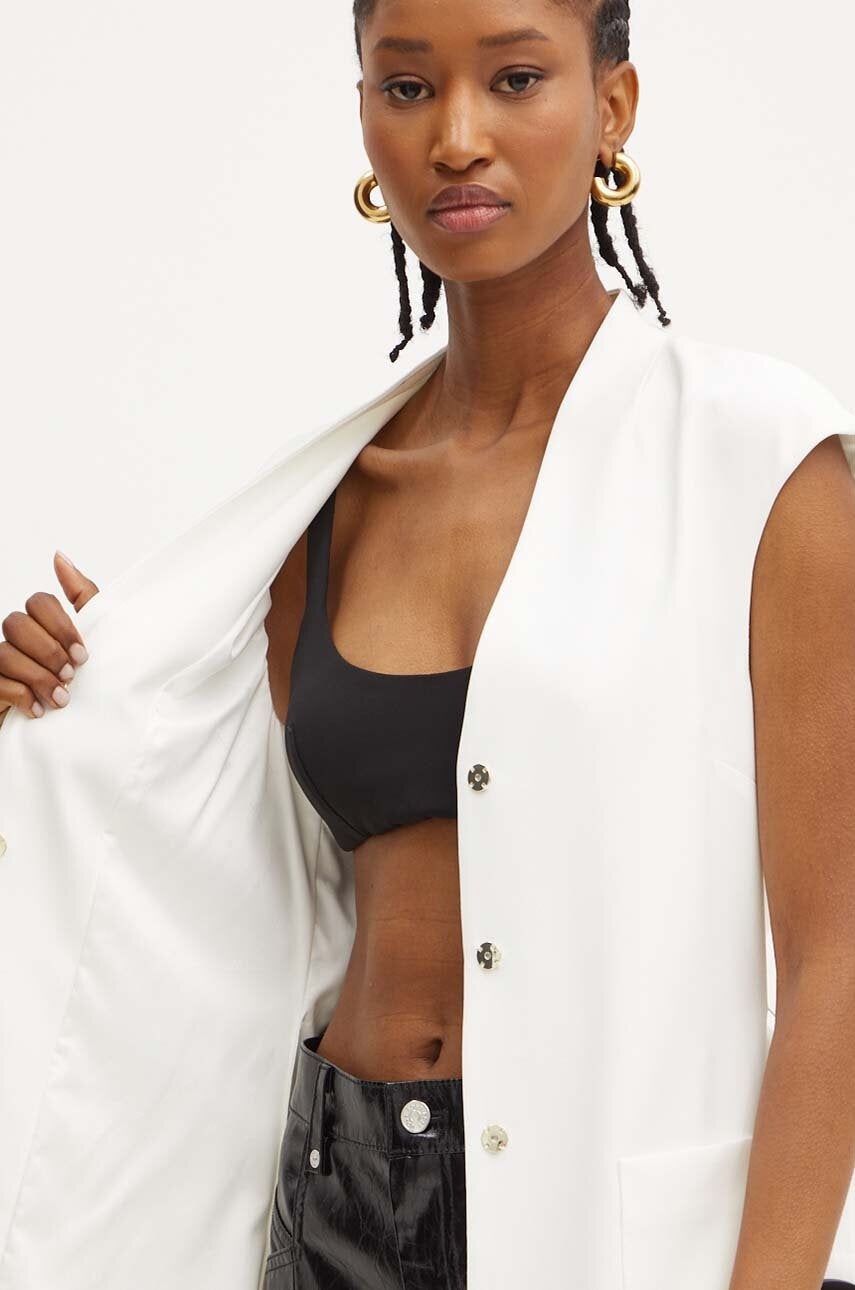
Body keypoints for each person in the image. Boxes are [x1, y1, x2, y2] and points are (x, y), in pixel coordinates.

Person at [2, 3, 855, 1289]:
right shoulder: (319, 511)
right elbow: (230, 893)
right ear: (364, 116)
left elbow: (838, 956)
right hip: (333, 1199)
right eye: (407, 88)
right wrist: (72, 698)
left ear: (612, 108)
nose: (457, 137)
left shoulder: (760, 462)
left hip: (609, 1224)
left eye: (515, 79)